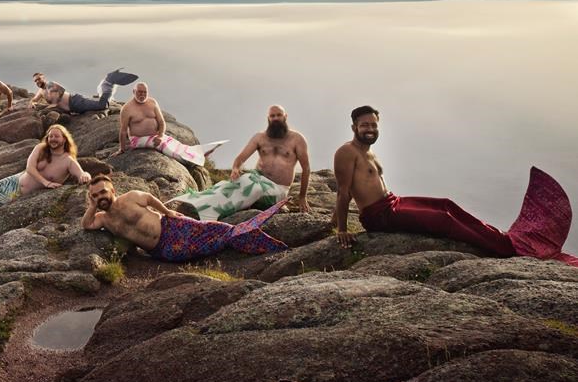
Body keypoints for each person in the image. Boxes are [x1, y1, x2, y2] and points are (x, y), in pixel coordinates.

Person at [334, 105, 578, 266]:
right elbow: (343, 192)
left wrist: (330, 220)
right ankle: (507, 249)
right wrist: (341, 229)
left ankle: (500, 238)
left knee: (446, 205)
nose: (370, 129)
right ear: (354, 127)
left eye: (374, 125)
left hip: (391, 202)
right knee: (444, 220)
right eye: (365, 125)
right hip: (380, 216)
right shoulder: (347, 152)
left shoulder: (369, 152)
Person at [82, 174, 287, 262]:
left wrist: (168, 213)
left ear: (112, 190)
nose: (100, 197)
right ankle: (250, 239)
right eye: (96, 195)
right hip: (162, 252)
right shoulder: (103, 219)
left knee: (220, 230)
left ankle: (267, 241)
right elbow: (87, 225)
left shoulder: (131, 197)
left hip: (173, 228)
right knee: (212, 247)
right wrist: (91, 207)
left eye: (103, 192)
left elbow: (151, 199)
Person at [171, 105, 311, 220]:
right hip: (256, 177)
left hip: (278, 188)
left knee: (253, 188)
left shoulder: (297, 139)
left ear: (285, 117)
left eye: (278, 115)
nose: (275, 118)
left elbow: (306, 168)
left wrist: (302, 197)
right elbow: (240, 158)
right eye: (272, 116)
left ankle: (211, 216)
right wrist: (235, 169)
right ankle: (195, 204)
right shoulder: (260, 137)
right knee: (230, 185)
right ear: (268, 118)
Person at [116, 82, 227, 166]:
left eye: (145, 92)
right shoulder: (127, 109)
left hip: (155, 135)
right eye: (140, 92)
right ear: (133, 92)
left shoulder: (152, 102)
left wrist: (160, 135)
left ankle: (201, 152)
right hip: (138, 139)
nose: (142, 95)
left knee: (178, 145)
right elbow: (123, 130)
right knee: (163, 145)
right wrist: (122, 149)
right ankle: (190, 162)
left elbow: (161, 122)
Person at [31, 68, 138, 114]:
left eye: (39, 79)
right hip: (74, 108)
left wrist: (47, 107)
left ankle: (108, 81)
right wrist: (33, 103)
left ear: (43, 78)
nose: (38, 81)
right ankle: (104, 88)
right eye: (35, 81)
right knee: (99, 103)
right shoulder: (41, 92)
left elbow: (58, 99)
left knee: (102, 105)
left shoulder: (51, 85)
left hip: (75, 101)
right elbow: (34, 99)